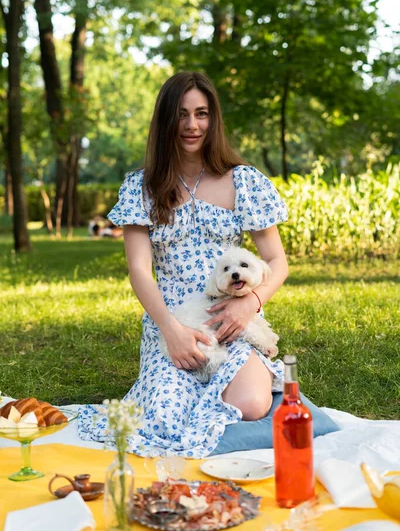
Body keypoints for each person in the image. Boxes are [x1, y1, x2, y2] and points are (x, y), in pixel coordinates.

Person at [78, 71, 338, 457]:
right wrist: (171, 330)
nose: (192, 125)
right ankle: (201, 423)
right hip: (172, 327)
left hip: (232, 322)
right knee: (162, 420)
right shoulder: (141, 187)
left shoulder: (244, 181)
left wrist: (250, 303)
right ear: (166, 120)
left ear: (213, 119)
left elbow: (276, 260)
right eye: (181, 114)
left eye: (201, 113)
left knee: (251, 404)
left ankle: (218, 422)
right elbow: (139, 271)